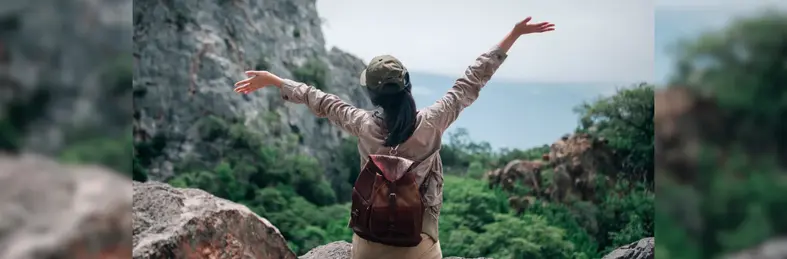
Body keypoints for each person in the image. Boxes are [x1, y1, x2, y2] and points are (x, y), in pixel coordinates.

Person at [233, 16, 555, 259]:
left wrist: (275, 81)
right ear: (408, 86)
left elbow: (321, 100)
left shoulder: (362, 124)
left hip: (368, 245)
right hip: (419, 245)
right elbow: (471, 81)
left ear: (372, 96)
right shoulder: (432, 123)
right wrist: (513, 35)